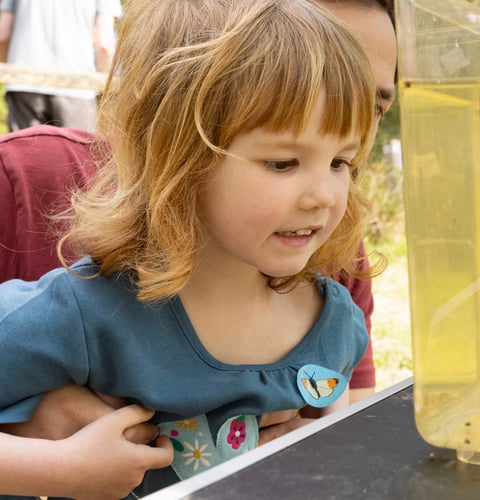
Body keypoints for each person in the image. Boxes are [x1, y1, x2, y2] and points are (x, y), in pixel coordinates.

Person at [0, 0, 379, 497]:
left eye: (341, 162)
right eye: (283, 162)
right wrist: (56, 467)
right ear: (178, 154)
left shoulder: (336, 325)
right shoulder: (86, 313)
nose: (325, 196)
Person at [0, 0, 122, 132]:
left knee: (25, 150)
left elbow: (3, 35)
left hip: (24, 85)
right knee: (77, 151)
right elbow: (104, 44)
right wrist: (104, 89)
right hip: (78, 87)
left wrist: (14, 73)